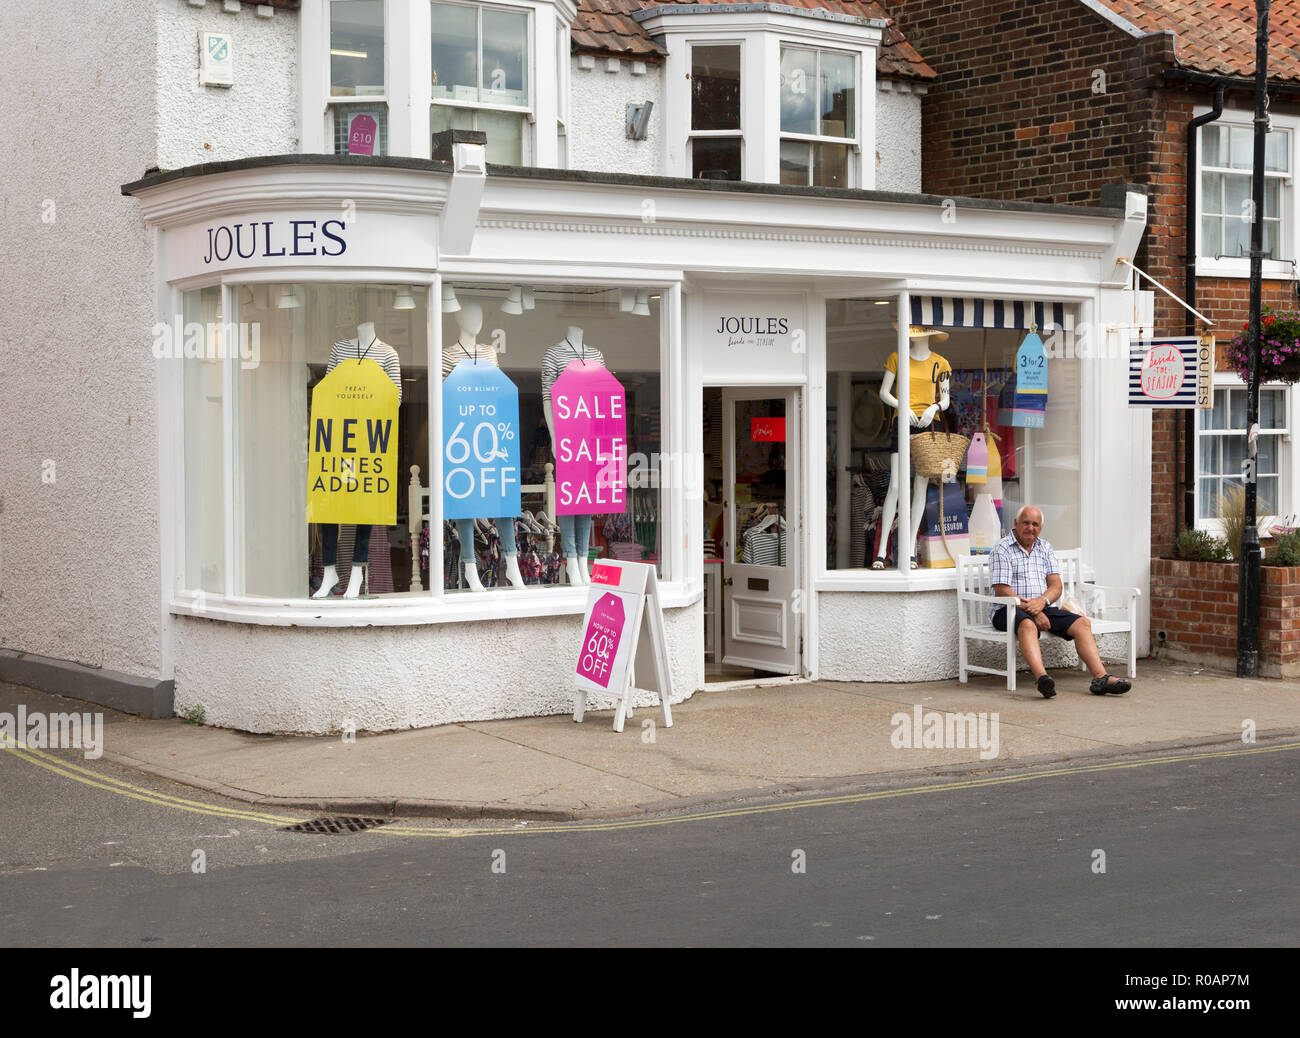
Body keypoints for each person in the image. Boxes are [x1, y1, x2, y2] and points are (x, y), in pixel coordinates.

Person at [989, 505, 1132, 699]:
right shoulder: (1002, 548)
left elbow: (1056, 586)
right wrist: (1035, 611)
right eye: (1026, 523)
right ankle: (1042, 679)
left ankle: (1101, 678)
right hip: (1008, 608)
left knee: (1082, 623)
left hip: (1041, 606)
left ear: (1040, 528)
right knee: (1027, 625)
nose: (1030, 528)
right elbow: (1002, 590)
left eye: (1035, 524)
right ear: (1016, 523)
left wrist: (1042, 602)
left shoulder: (1045, 547)